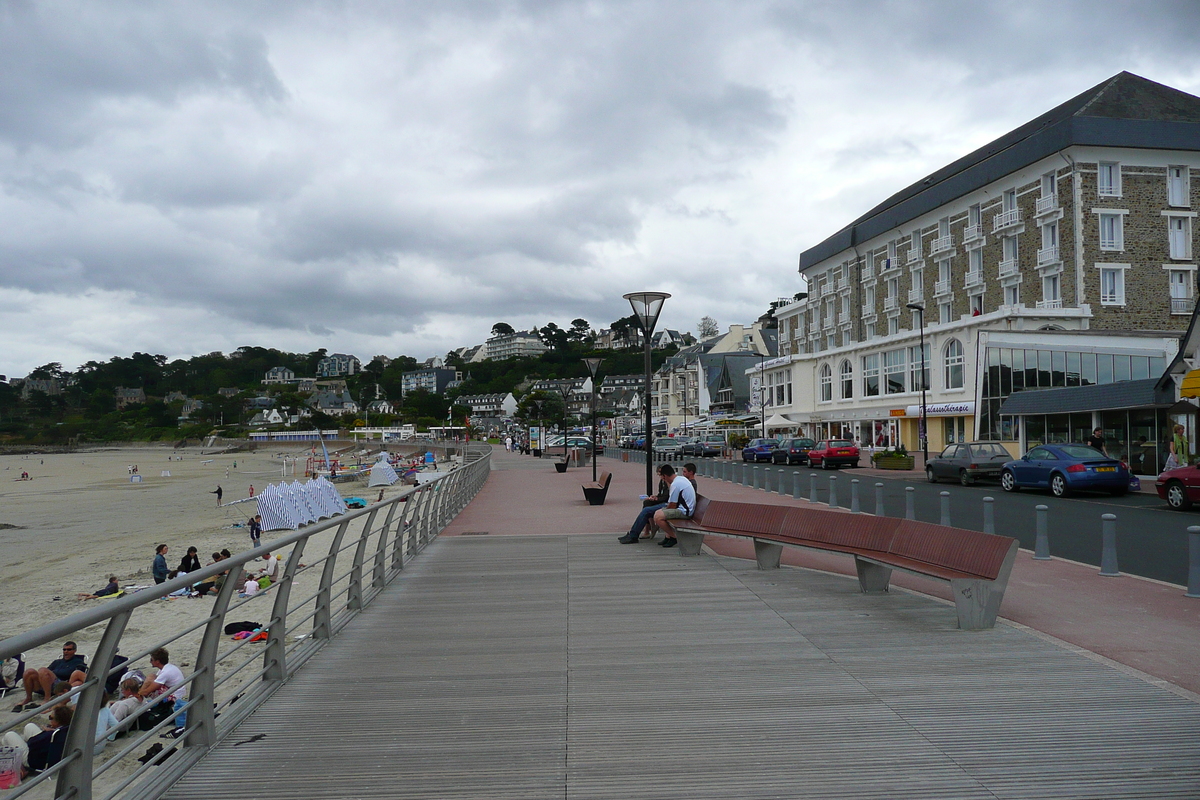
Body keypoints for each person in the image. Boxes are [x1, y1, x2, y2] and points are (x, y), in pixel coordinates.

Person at [0, 705, 73, 778]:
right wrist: (51, 731)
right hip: (53, 753)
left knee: (8, 736)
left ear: (57, 722)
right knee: (29, 726)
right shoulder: (67, 729)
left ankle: (18, 766)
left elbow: (31, 744)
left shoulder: (52, 735)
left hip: (35, 761)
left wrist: (45, 733)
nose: (50, 720)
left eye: (51, 718)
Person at [13, 642, 87, 712]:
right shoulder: (57, 662)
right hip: (47, 684)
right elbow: (46, 673)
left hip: (61, 684)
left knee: (42, 670)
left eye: (69, 649)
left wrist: (52, 673)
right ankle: (28, 698)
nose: (66, 651)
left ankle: (47, 698)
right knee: (29, 672)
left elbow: (76, 676)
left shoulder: (78, 662)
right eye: (64, 649)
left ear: (74, 651)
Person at [652, 463, 698, 549]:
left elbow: (672, 505)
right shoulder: (680, 479)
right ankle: (668, 537)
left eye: (662, 477)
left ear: (665, 476)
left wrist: (664, 511)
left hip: (685, 512)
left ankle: (674, 537)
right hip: (686, 509)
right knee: (661, 512)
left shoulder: (675, 484)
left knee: (658, 516)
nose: (662, 479)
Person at [139, 647, 186, 728]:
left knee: (150, 679)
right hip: (179, 693)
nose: (150, 661)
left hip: (175, 698)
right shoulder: (168, 667)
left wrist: (142, 692)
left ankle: (137, 697)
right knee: (152, 677)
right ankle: (137, 696)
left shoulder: (165, 672)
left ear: (157, 661)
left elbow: (149, 691)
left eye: (151, 659)